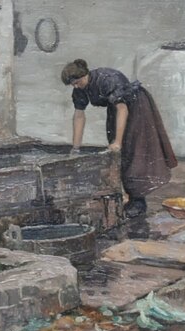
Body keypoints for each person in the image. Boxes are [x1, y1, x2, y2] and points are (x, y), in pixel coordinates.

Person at [61, 59, 177, 218]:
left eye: (77, 82)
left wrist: (117, 142)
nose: (76, 86)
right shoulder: (80, 89)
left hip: (136, 107)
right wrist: (75, 148)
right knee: (118, 156)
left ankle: (138, 202)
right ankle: (127, 197)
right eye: (73, 84)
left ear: (85, 75)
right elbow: (79, 116)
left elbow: (122, 108)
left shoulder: (107, 79)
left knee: (133, 152)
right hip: (115, 111)